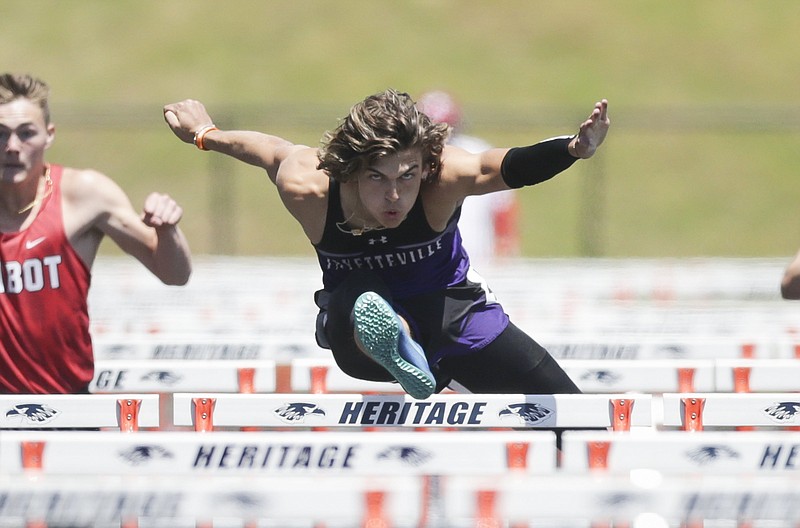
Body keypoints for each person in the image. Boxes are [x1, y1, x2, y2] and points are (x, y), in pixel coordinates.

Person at [164, 90, 609, 400]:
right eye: (377, 178)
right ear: (351, 171)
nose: (394, 196)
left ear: (425, 168)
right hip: (358, 335)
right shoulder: (311, 186)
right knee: (360, 291)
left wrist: (571, 148)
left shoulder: (442, 177)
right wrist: (205, 134)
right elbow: (266, 149)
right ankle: (395, 338)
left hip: (458, 319)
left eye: (406, 177)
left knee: (573, 414)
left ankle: (412, 346)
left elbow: (505, 166)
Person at [0, 73, 192, 394]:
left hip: (67, 407)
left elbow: (175, 274)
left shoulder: (84, 194)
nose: (11, 147)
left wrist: (168, 230)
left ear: (49, 135)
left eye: (26, 133)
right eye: (0, 134)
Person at [417, 90, 520, 267]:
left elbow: (502, 205)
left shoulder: (477, 150)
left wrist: (505, 243)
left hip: (478, 259)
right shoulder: (411, 159)